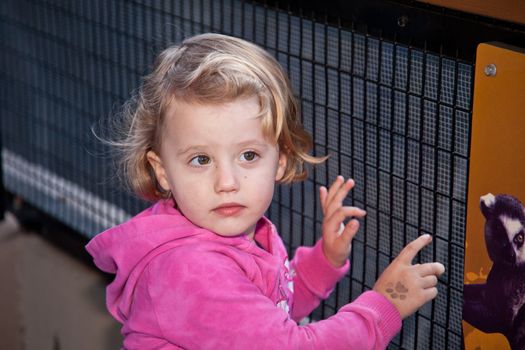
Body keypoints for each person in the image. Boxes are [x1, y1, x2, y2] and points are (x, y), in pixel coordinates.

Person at [86, 33, 445, 349]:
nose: (227, 182)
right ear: (163, 172)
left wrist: (324, 260)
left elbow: (274, 313)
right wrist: (384, 306)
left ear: (281, 160)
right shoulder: (188, 270)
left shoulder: (238, 235)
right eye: (200, 159)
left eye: (248, 155)